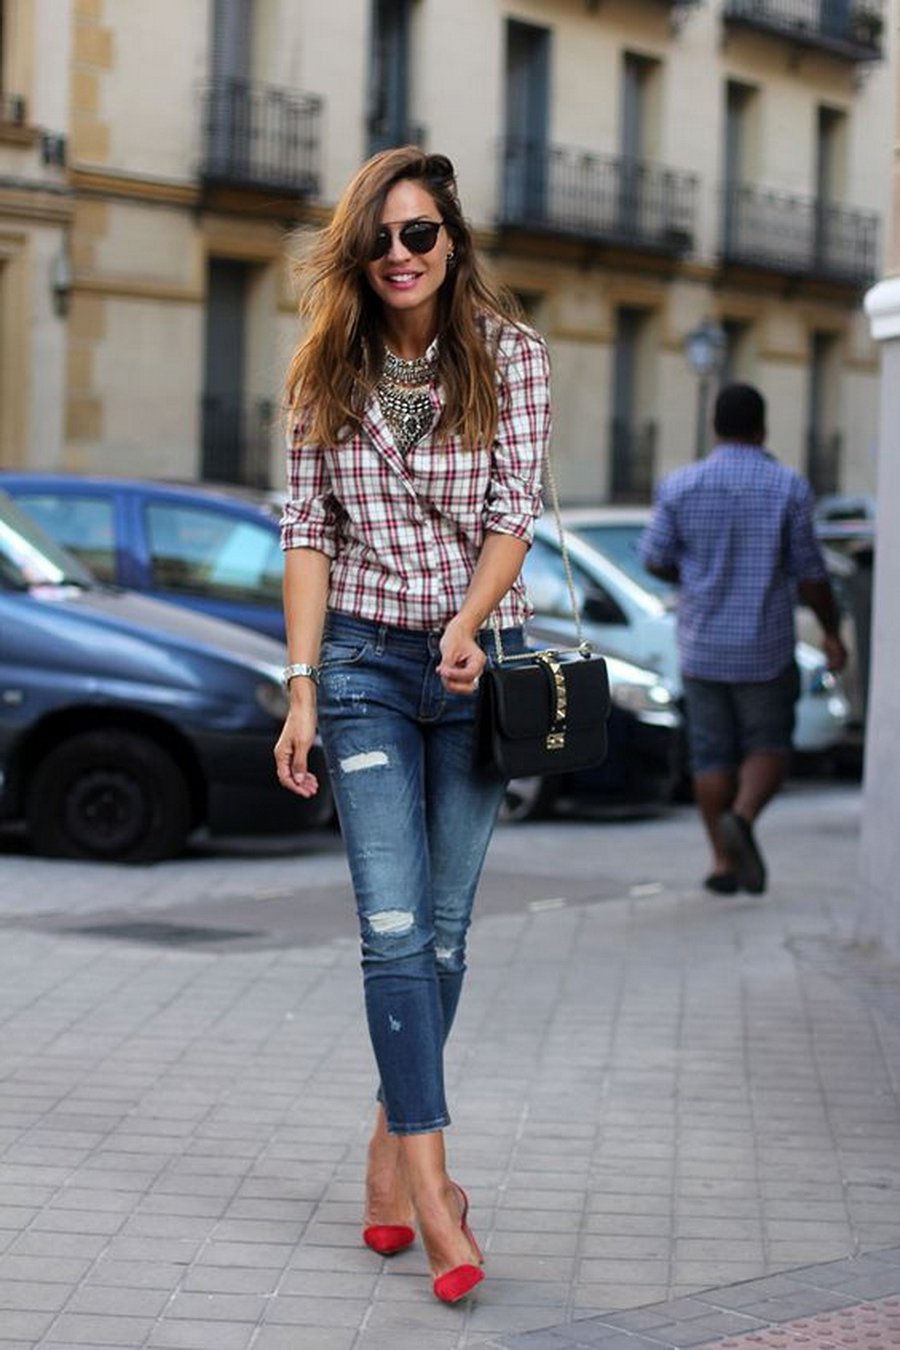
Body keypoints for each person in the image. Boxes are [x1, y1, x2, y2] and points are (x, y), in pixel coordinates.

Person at [273, 147, 549, 1304]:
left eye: (420, 233)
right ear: (358, 249)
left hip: (478, 669)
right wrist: (301, 686)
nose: (400, 254)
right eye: (380, 236)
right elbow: (307, 532)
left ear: (452, 241)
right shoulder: (321, 370)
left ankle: (390, 1156)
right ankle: (437, 1195)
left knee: (441, 935)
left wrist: (471, 625)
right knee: (392, 929)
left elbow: (514, 513)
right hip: (364, 669)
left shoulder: (510, 357)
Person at [641, 381, 847, 895]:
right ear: (762, 428)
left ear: (714, 426)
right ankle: (744, 815)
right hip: (765, 646)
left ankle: (721, 862)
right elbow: (811, 574)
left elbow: (654, 558)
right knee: (769, 745)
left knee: (711, 755)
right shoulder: (788, 486)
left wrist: (695, 577)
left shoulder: (680, 486)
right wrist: (830, 631)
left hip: (702, 645)